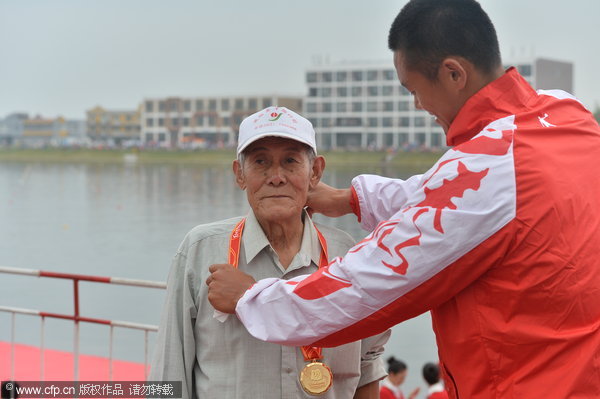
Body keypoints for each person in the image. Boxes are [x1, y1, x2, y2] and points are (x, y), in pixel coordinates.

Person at [206, 0, 600, 397]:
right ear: (239, 172)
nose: (419, 106)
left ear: (453, 74)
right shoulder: (566, 114)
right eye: (260, 162)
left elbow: (361, 288)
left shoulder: (491, 170)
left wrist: (251, 297)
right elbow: (451, 194)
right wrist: (352, 199)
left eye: (414, 90)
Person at [150, 106, 389, 399]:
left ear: (315, 172)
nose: (276, 177)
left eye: (290, 161)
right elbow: (170, 371)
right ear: (240, 174)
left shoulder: (348, 254)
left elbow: (367, 367)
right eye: (260, 162)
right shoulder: (201, 250)